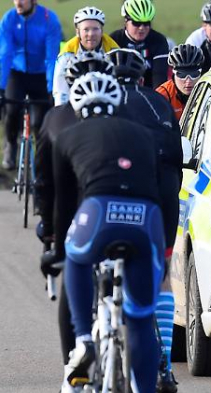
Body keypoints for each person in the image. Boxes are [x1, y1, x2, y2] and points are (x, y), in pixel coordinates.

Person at [56, 72, 169, 393]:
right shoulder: (145, 135)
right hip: (147, 220)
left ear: (76, 109)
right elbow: (161, 189)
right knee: (140, 317)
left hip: (99, 212)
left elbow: (62, 204)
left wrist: (54, 248)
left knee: (75, 257)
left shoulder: (67, 136)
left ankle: (81, 342)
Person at [107, 47, 182, 393]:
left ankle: (93, 333)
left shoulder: (102, 101)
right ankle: (164, 363)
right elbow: (176, 168)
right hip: (159, 195)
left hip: (109, 199)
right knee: (162, 276)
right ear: (141, 78)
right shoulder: (159, 103)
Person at [35, 52, 114, 370]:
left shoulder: (55, 119)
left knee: (73, 284)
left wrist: (49, 230)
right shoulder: (119, 115)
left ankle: (73, 363)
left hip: (77, 216)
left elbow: (45, 181)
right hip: (122, 212)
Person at [0, 0, 61, 169]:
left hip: (40, 74)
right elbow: (5, 55)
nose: (18, 2)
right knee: (11, 111)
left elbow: (51, 59)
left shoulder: (49, 20)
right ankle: (11, 145)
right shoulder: (9, 19)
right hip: (16, 73)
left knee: (40, 124)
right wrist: (1, 86)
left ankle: (42, 162)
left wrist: (51, 89)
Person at [53, 6, 120, 106]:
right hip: (76, 101)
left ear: (102, 31)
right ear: (77, 32)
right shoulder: (67, 53)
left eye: (95, 29)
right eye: (86, 29)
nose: (91, 34)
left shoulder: (113, 50)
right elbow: (61, 91)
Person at [110, 0, 170, 88]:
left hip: (149, 93)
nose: (142, 28)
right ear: (126, 21)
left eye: (146, 23)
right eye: (136, 23)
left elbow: (159, 78)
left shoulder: (159, 40)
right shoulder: (114, 39)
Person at [156, 44, 204, 121]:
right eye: (182, 75)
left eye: (194, 74)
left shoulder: (208, 90)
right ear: (173, 74)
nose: (188, 81)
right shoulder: (162, 95)